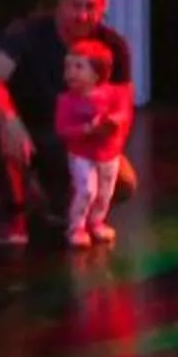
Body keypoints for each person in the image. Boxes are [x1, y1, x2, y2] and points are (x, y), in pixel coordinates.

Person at [0, 0, 134, 251]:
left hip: (75, 138)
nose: (82, 15)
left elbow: (124, 106)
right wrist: (10, 120)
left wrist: (108, 137)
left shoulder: (112, 47)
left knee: (124, 182)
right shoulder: (28, 33)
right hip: (27, 130)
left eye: (90, 7)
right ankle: (14, 210)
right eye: (75, 5)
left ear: (103, 8)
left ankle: (55, 199)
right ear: (59, 2)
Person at [54, 39, 132, 247]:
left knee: (106, 190)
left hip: (108, 152)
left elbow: (123, 113)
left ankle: (96, 221)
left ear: (97, 73)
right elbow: (62, 130)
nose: (71, 73)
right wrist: (87, 129)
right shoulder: (66, 101)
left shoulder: (114, 93)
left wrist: (113, 122)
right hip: (82, 152)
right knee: (86, 190)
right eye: (68, 66)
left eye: (79, 67)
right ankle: (76, 226)